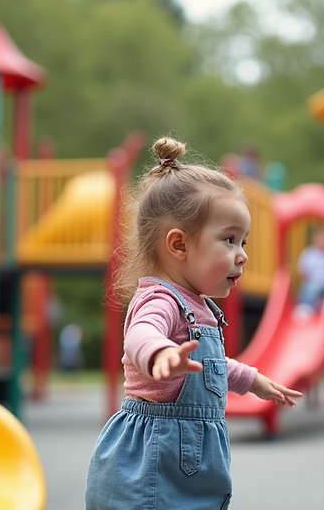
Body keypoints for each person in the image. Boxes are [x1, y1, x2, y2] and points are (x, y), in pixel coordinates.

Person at [85, 137, 302, 510]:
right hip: (152, 465)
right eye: (229, 240)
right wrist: (160, 353)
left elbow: (211, 367)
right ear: (180, 245)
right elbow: (141, 334)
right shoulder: (161, 299)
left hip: (188, 462)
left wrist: (252, 380)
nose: (243, 255)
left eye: (244, 241)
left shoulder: (197, 303)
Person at [295, 226, 324, 316]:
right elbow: (303, 272)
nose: (323, 242)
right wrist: (308, 280)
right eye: (320, 239)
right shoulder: (308, 253)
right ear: (315, 240)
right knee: (311, 287)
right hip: (314, 282)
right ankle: (306, 307)